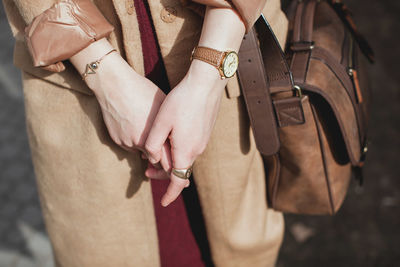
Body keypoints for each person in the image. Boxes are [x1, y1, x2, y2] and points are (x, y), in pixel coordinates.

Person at [3, 0, 289, 266]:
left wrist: (208, 77)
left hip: (224, 37)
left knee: (236, 244)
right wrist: (106, 78)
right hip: (78, 72)